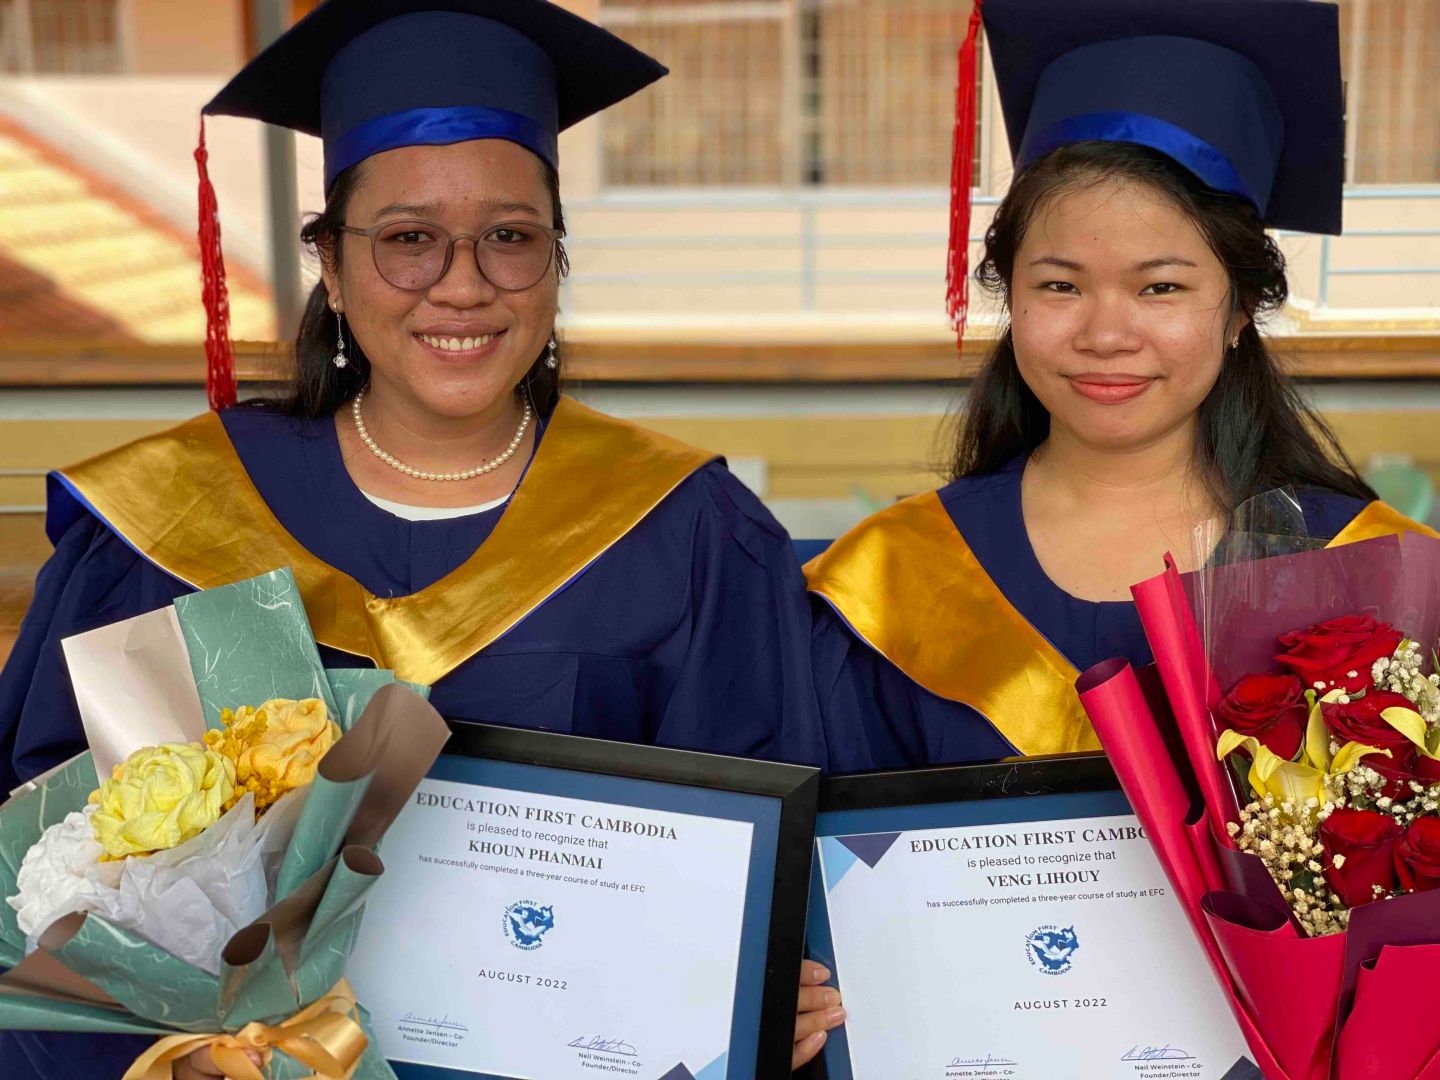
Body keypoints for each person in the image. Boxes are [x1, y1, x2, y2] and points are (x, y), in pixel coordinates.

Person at [0, 3, 827, 1076]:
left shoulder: (687, 530)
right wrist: (179, 1056)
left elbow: (753, 864)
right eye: (407, 239)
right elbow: (41, 879)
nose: (463, 284)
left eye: (511, 237)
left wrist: (757, 989)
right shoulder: (166, 520)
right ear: (331, 266)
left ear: (557, 259)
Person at [808, 0, 1437, 777]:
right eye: (1060, 285)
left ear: (1239, 309)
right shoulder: (896, 578)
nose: (1105, 336)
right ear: (1012, 297)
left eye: (1160, 287)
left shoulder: (1371, 572)